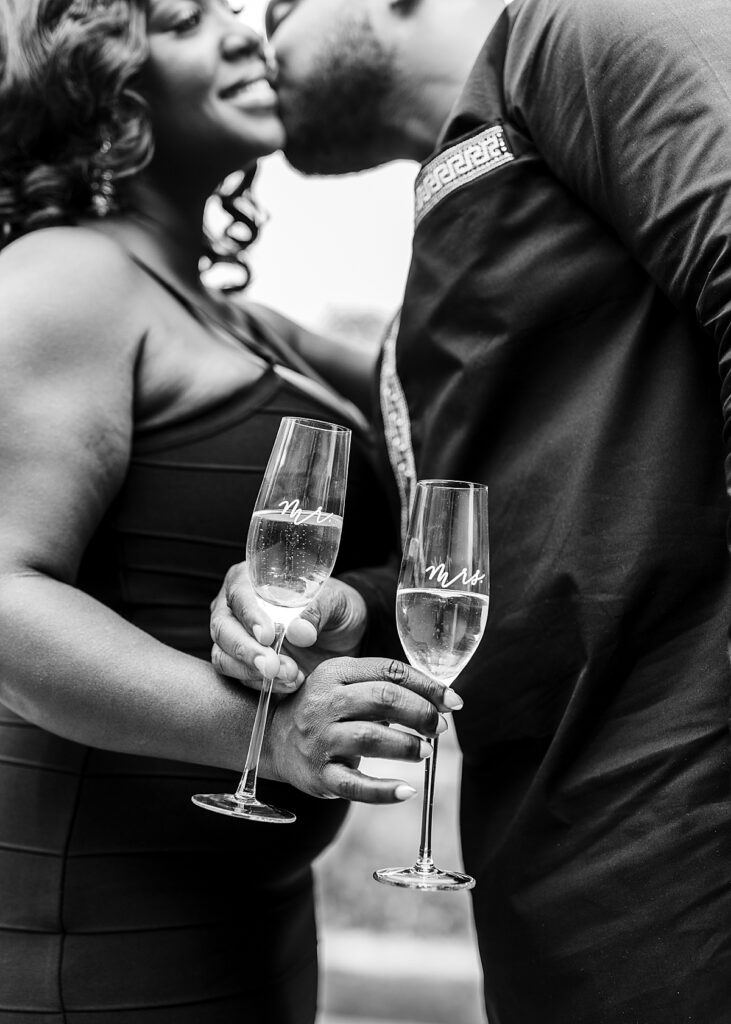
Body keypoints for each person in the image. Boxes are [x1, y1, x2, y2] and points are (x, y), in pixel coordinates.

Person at [212, 0, 731, 1020]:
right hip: (553, 866)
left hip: (685, 817)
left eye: (277, 8)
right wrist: (353, 609)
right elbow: (507, 554)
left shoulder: (578, 29)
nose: (255, 40)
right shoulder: (411, 299)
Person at [0, 1, 463, 1020]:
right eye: (184, 18)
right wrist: (270, 734)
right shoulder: (62, 280)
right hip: (96, 922)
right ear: (100, 78)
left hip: (250, 915)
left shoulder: (241, 319)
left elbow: (452, 394)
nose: (245, 31)